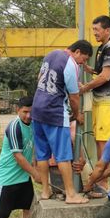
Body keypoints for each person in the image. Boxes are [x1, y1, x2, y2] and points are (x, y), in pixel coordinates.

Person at [31, 39, 93, 205]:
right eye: (84, 59)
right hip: (55, 112)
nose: (82, 63)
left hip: (37, 110)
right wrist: (77, 114)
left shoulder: (51, 55)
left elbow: (40, 79)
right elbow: (74, 97)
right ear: (77, 52)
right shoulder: (70, 64)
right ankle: (71, 194)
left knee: (42, 154)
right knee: (63, 155)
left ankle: (45, 191)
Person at [79, 15, 110, 192]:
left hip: (107, 100)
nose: (95, 33)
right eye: (93, 30)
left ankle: (103, 182)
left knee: (104, 142)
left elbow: (105, 77)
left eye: (97, 30)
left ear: (107, 30)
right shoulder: (102, 48)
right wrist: (88, 69)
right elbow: (99, 72)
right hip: (99, 100)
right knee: (99, 140)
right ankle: (100, 179)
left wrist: (85, 87)